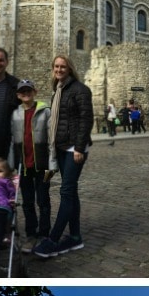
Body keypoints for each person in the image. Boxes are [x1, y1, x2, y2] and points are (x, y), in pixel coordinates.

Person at [32, 55, 93, 258]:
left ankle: (54, 239)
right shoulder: (58, 90)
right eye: (56, 66)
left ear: (70, 69)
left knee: (66, 191)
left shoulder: (80, 90)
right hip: (60, 146)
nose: (59, 69)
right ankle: (75, 237)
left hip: (74, 149)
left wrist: (79, 147)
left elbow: (86, 119)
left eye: (63, 66)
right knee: (71, 191)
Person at [9, 79, 54, 253]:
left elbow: (52, 139)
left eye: (28, 90)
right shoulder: (15, 114)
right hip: (23, 166)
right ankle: (31, 234)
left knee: (43, 200)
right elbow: (13, 140)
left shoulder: (45, 111)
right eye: (22, 91)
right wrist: (12, 163)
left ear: (34, 91)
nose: (25, 93)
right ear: (18, 95)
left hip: (43, 165)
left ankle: (44, 234)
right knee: (27, 202)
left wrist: (53, 164)